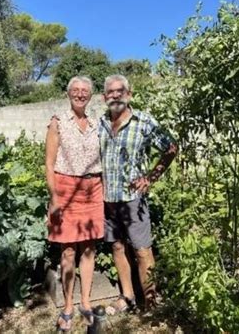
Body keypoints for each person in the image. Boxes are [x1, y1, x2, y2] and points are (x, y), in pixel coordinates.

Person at [99, 74, 177, 314]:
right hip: (107, 200)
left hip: (133, 200)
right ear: (104, 97)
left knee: (142, 251)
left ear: (129, 94)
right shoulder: (100, 123)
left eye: (120, 91)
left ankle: (151, 303)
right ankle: (128, 297)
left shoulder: (143, 121)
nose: (115, 95)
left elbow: (171, 147)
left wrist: (150, 178)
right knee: (117, 247)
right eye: (110, 92)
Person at [45, 76, 104, 331]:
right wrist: (54, 197)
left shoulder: (97, 124)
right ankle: (68, 306)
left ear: (90, 96)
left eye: (85, 91)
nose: (80, 94)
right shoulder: (58, 122)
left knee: (89, 248)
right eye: (76, 90)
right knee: (68, 250)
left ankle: (86, 302)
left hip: (93, 189)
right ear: (69, 93)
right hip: (66, 189)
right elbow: (48, 163)